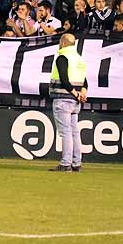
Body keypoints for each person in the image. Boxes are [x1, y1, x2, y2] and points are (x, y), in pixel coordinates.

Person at [48, 32, 87, 172]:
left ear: (63, 43)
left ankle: (65, 163)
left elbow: (64, 80)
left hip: (62, 98)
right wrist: (82, 93)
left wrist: (74, 92)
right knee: (74, 132)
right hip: (75, 101)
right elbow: (84, 81)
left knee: (65, 132)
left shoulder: (62, 57)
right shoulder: (79, 59)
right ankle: (77, 163)